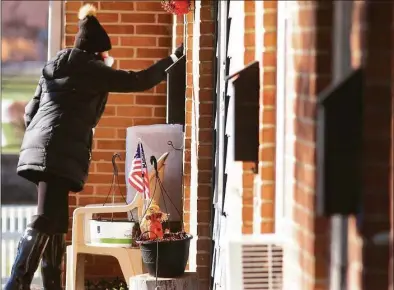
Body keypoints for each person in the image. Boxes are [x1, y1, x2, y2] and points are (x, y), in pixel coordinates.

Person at [5, 4, 184, 290]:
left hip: (42, 148)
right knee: (44, 217)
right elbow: (138, 80)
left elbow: (29, 111)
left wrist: (41, 138)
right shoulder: (92, 69)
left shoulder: (54, 65)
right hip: (59, 151)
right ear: (99, 52)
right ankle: (16, 282)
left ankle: (52, 284)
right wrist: (175, 57)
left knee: (56, 221)